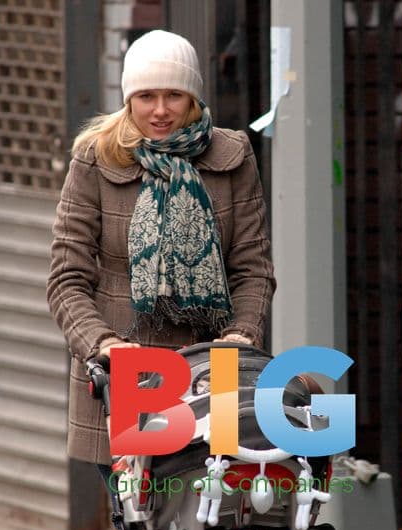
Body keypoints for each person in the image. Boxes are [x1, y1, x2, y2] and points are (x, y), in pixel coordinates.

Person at [47, 28, 276, 474]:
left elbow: (253, 270)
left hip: (213, 373)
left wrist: (241, 336)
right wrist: (104, 345)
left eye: (174, 95)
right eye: (146, 95)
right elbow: (66, 279)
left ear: (193, 98)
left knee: (217, 525)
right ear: (128, 98)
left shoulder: (232, 156)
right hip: (125, 378)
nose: (159, 110)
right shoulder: (95, 159)